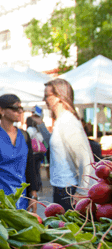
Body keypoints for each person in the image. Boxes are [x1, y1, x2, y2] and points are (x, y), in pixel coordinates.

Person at [44, 79, 94, 211]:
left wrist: (82, 191)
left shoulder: (68, 121)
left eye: (47, 96)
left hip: (70, 190)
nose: (44, 100)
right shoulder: (61, 121)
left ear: (59, 97)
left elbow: (85, 158)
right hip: (62, 188)